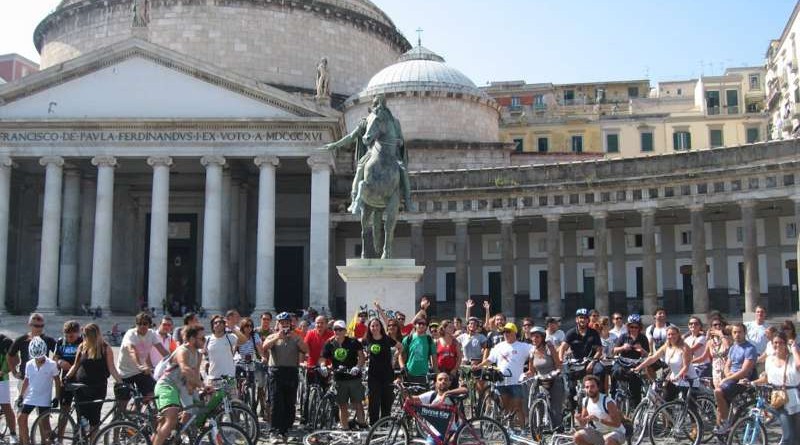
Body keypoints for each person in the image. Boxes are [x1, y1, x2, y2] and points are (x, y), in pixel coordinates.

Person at [152, 325, 206, 445]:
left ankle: (175, 436)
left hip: (180, 386)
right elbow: (185, 368)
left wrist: (195, 386)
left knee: (193, 410)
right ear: (192, 339)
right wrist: (202, 385)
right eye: (202, 338)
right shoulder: (182, 350)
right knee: (171, 419)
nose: (204, 341)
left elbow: (196, 373)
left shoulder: (198, 354)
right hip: (167, 385)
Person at [64, 323, 122, 436]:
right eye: (83, 335)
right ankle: (81, 440)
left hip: (98, 387)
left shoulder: (105, 348)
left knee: (95, 419)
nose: (84, 337)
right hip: (81, 387)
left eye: (86, 335)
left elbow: (111, 368)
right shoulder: (82, 346)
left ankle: (92, 441)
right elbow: (75, 365)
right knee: (82, 418)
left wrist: (121, 382)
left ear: (94, 335)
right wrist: (67, 377)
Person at [473, 322, 532, 427]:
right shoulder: (499, 346)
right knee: (506, 407)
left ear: (514, 332)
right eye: (504, 332)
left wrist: (531, 368)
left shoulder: (523, 346)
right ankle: (509, 429)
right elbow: (490, 360)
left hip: (516, 382)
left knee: (517, 406)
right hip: (501, 382)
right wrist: (479, 366)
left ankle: (523, 428)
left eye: (508, 332)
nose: (506, 334)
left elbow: (535, 352)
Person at [747, 332, 800, 445]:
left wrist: (794, 348)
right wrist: (752, 382)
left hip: (793, 400)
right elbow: (767, 378)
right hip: (777, 399)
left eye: (781, 342)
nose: (778, 345)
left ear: (786, 344)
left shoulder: (792, 358)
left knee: (796, 435)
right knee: (788, 436)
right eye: (775, 342)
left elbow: (799, 366)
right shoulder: (770, 359)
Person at [263, 311, 308, 442]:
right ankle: (274, 431)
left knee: (290, 403)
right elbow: (265, 348)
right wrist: (278, 337)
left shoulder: (296, 337)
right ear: (278, 324)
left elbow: (306, 349)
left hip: (291, 372)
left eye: (287, 323)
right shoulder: (273, 336)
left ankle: (286, 429)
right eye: (282, 323)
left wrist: (295, 338)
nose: (284, 325)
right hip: (276, 372)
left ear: (291, 324)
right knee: (276, 402)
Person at [712, 323, 758, 434]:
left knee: (718, 391)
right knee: (719, 404)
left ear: (745, 333)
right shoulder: (733, 347)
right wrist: (728, 375)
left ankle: (727, 423)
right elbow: (727, 365)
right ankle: (724, 426)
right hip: (732, 378)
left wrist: (727, 378)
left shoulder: (750, 348)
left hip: (743, 381)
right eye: (735, 332)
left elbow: (744, 371)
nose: (737, 335)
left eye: (740, 332)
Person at [322, 320, 367, 430]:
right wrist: (323, 366)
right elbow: (322, 358)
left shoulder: (353, 341)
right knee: (342, 405)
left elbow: (361, 357)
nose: (337, 331)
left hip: (354, 378)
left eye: (340, 329)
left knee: (358, 403)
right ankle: (345, 427)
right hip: (339, 378)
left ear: (345, 331)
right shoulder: (329, 343)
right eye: (335, 329)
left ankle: (362, 425)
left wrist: (357, 367)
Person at [634, 326, 697, 402]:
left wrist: (677, 377)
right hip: (675, 379)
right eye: (669, 334)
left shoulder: (684, 347)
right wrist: (639, 367)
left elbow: (685, 367)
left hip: (687, 379)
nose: (671, 336)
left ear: (678, 335)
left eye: (673, 334)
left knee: (690, 407)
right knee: (666, 403)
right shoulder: (666, 346)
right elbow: (653, 358)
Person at [17, 337, 61, 445]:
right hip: (31, 396)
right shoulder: (29, 364)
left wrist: (57, 397)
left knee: (45, 424)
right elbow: (26, 381)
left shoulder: (51, 364)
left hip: (44, 397)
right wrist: (21, 396)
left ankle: (48, 442)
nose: (39, 359)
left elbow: (57, 381)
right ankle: (27, 442)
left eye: (40, 356)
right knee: (21, 418)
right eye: (36, 357)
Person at [117, 312, 168, 403]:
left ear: (149, 325)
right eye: (139, 324)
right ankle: (121, 413)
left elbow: (162, 350)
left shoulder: (151, 334)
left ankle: (138, 410)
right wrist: (140, 365)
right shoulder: (130, 334)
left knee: (153, 393)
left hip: (139, 371)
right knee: (123, 402)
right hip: (125, 372)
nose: (142, 326)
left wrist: (174, 360)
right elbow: (132, 350)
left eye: (145, 324)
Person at [362, 318, 401, 425]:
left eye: (377, 325)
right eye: (372, 326)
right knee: (373, 400)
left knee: (387, 399)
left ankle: (384, 423)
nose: (375, 328)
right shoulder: (366, 340)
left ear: (381, 327)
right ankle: (373, 423)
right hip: (373, 374)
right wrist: (365, 356)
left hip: (387, 374)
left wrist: (395, 358)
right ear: (369, 328)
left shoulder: (387, 339)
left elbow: (400, 347)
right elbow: (358, 348)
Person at [528, 327, 564, 431]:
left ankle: (558, 431)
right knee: (539, 404)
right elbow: (531, 370)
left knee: (554, 409)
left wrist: (556, 372)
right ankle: (539, 428)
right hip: (542, 380)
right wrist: (525, 376)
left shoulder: (549, 347)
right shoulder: (532, 351)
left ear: (543, 337)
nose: (534, 339)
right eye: (533, 337)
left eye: (537, 336)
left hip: (554, 379)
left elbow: (558, 365)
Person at [573, 375, 626, 445]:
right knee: (577, 437)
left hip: (615, 432)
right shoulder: (585, 401)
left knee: (609, 442)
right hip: (598, 433)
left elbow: (617, 424)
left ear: (598, 387)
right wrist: (579, 419)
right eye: (587, 387)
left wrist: (599, 420)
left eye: (592, 386)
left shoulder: (608, 402)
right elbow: (583, 423)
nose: (589, 389)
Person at [611, 314, 649, 409]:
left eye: (636, 327)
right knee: (615, 372)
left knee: (635, 387)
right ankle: (615, 396)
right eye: (631, 327)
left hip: (635, 364)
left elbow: (648, 355)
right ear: (628, 327)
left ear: (639, 327)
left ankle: (635, 410)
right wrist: (622, 348)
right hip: (622, 363)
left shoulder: (643, 338)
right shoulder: (623, 336)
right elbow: (614, 351)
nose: (634, 329)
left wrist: (642, 350)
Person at [301, 315, 333, 424]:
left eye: (321, 323)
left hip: (326, 367)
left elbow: (334, 351)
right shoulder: (310, 333)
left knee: (328, 393)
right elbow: (304, 348)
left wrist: (331, 365)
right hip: (312, 366)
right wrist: (303, 362)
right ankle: (305, 419)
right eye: (317, 323)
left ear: (326, 324)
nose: (319, 325)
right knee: (308, 393)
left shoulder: (331, 335)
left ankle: (331, 417)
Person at [8, 314, 57, 385]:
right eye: (36, 326)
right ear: (30, 325)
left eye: (42, 326)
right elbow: (9, 356)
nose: (39, 328)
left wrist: (52, 368)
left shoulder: (48, 340)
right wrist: (14, 372)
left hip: (43, 378)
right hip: (25, 379)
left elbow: (57, 354)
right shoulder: (21, 339)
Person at [204, 314, 246, 382]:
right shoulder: (207, 339)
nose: (218, 324)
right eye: (215, 323)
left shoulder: (230, 337)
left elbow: (243, 340)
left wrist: (232, 328)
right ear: (213, 326)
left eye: (220, 322)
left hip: (229, 378)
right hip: (213, 378)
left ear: (224, 325)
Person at [399, 318, 438, 385]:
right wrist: (402, 367)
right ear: (415, 325)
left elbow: (434, 359)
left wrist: (436, 375)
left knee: (422, 395)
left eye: (424, 324)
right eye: (419, 323)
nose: (421, 326)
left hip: (424, 374)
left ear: (426, 327)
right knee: (409, 395)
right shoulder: (408, 339)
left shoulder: (429, 340)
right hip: (409, 373)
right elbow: (400, 355)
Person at [54, 321, 82, 412]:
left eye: (71, 336)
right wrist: (59, 361)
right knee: (64, 409)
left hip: (80, 379)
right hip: (66, 380)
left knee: (81, 410)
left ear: (78, 333)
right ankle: (61, 426)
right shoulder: (61, 342)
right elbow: (55, 358)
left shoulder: (83, 342)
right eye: (66, 336)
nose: (68, 338)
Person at [0, 331, 18, 444]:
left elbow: (16, 360)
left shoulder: (6, 341)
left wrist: (4, 371)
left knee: (6, 406)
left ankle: (13, 434)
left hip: (1, 380)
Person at [435, 320, 462, 387]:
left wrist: (455, 369)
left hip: (452, 371)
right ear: (444, 328)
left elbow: (459, 357)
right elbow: (433, 357)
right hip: (440, 370)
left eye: (453, 327)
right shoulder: (436, 341)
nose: (452, 329)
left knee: (452, 393)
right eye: (450, 327)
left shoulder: (455, 342)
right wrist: (436, 370)